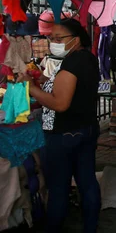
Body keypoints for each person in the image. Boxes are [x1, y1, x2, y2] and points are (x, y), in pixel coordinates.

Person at [18, 19, 101, 232]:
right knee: (87, 181)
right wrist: (39, 82)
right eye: (51, 38)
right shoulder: (87, 59)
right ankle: (90, 227)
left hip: (64, 133)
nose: (53, 42)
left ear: (76, 39)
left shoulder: (73, 63)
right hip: (85, 129)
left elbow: (60, 103)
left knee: (59, 188)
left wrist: (30, 88)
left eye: (58, 38)